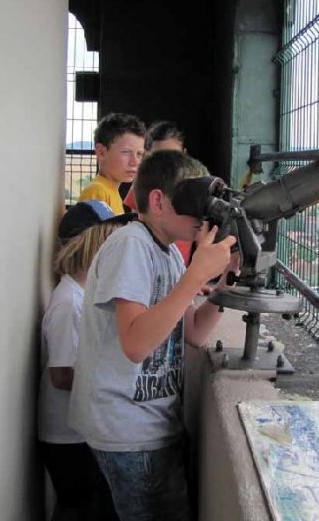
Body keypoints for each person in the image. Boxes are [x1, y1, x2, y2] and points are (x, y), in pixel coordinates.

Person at [69, 150, 238, 521]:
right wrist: (196, 275)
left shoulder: (169, 254)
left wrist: (228, 280)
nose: (204, 216)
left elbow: (194, 331)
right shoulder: (131, 245)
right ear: (158, 201)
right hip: (129, 431)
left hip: (154, 424)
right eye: (196, 200)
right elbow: (135, 344)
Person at [38, 200, 134, 521]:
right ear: (89, 246)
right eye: (109, 241)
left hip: (79, 429)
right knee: (78, 508)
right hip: (66, 436)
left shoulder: (85, 295)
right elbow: (61, 375)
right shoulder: (68, 302)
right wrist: (112, 383)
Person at [122, 120, 193, 265]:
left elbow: (203, 239)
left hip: (182, 271)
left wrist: (196, 274)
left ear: (184, 154)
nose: (167, 165)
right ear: (148, 156)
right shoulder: (140, 187)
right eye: (159, 157)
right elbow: (137, 227)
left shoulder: (195, 188)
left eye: (174, 156)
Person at [78, 112, 146, 214]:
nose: (135, 162)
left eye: (139, 154)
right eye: (126, 152)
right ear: (101, 152)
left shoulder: (111, 192)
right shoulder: (97, 192)